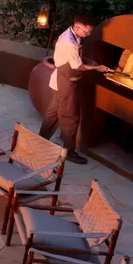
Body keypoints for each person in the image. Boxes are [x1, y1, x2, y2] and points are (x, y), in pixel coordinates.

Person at [41, 11, 111, 163]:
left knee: (53, 115)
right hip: (65, 83)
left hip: (60, 82)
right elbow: (78, 66)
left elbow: (77, 58)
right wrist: (97, 68)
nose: (87, 35)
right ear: (79, 27)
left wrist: (93, 63)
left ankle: (39, 140)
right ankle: (69, 152)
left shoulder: (74, 35)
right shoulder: (69, 42)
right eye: (87, 32)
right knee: (71, 119)